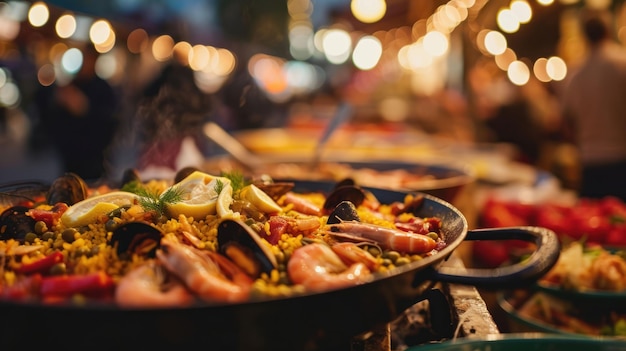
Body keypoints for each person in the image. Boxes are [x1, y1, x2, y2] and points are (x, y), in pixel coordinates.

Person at [561, 13, 626, 201]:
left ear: (584, 36)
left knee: (593, 222)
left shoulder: (576, 74)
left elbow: (566, 122)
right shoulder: (622, 63)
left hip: (590, 162)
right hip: (621, 158)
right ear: (608, 30)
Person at [35, 46, 119, 181]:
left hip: (94, 159)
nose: (85, 63)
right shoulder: (71, 85)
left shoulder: (103, 88)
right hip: (71, 157)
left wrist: (84, 108)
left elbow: (110, 121)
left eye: (88, 59)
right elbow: (49, 114)